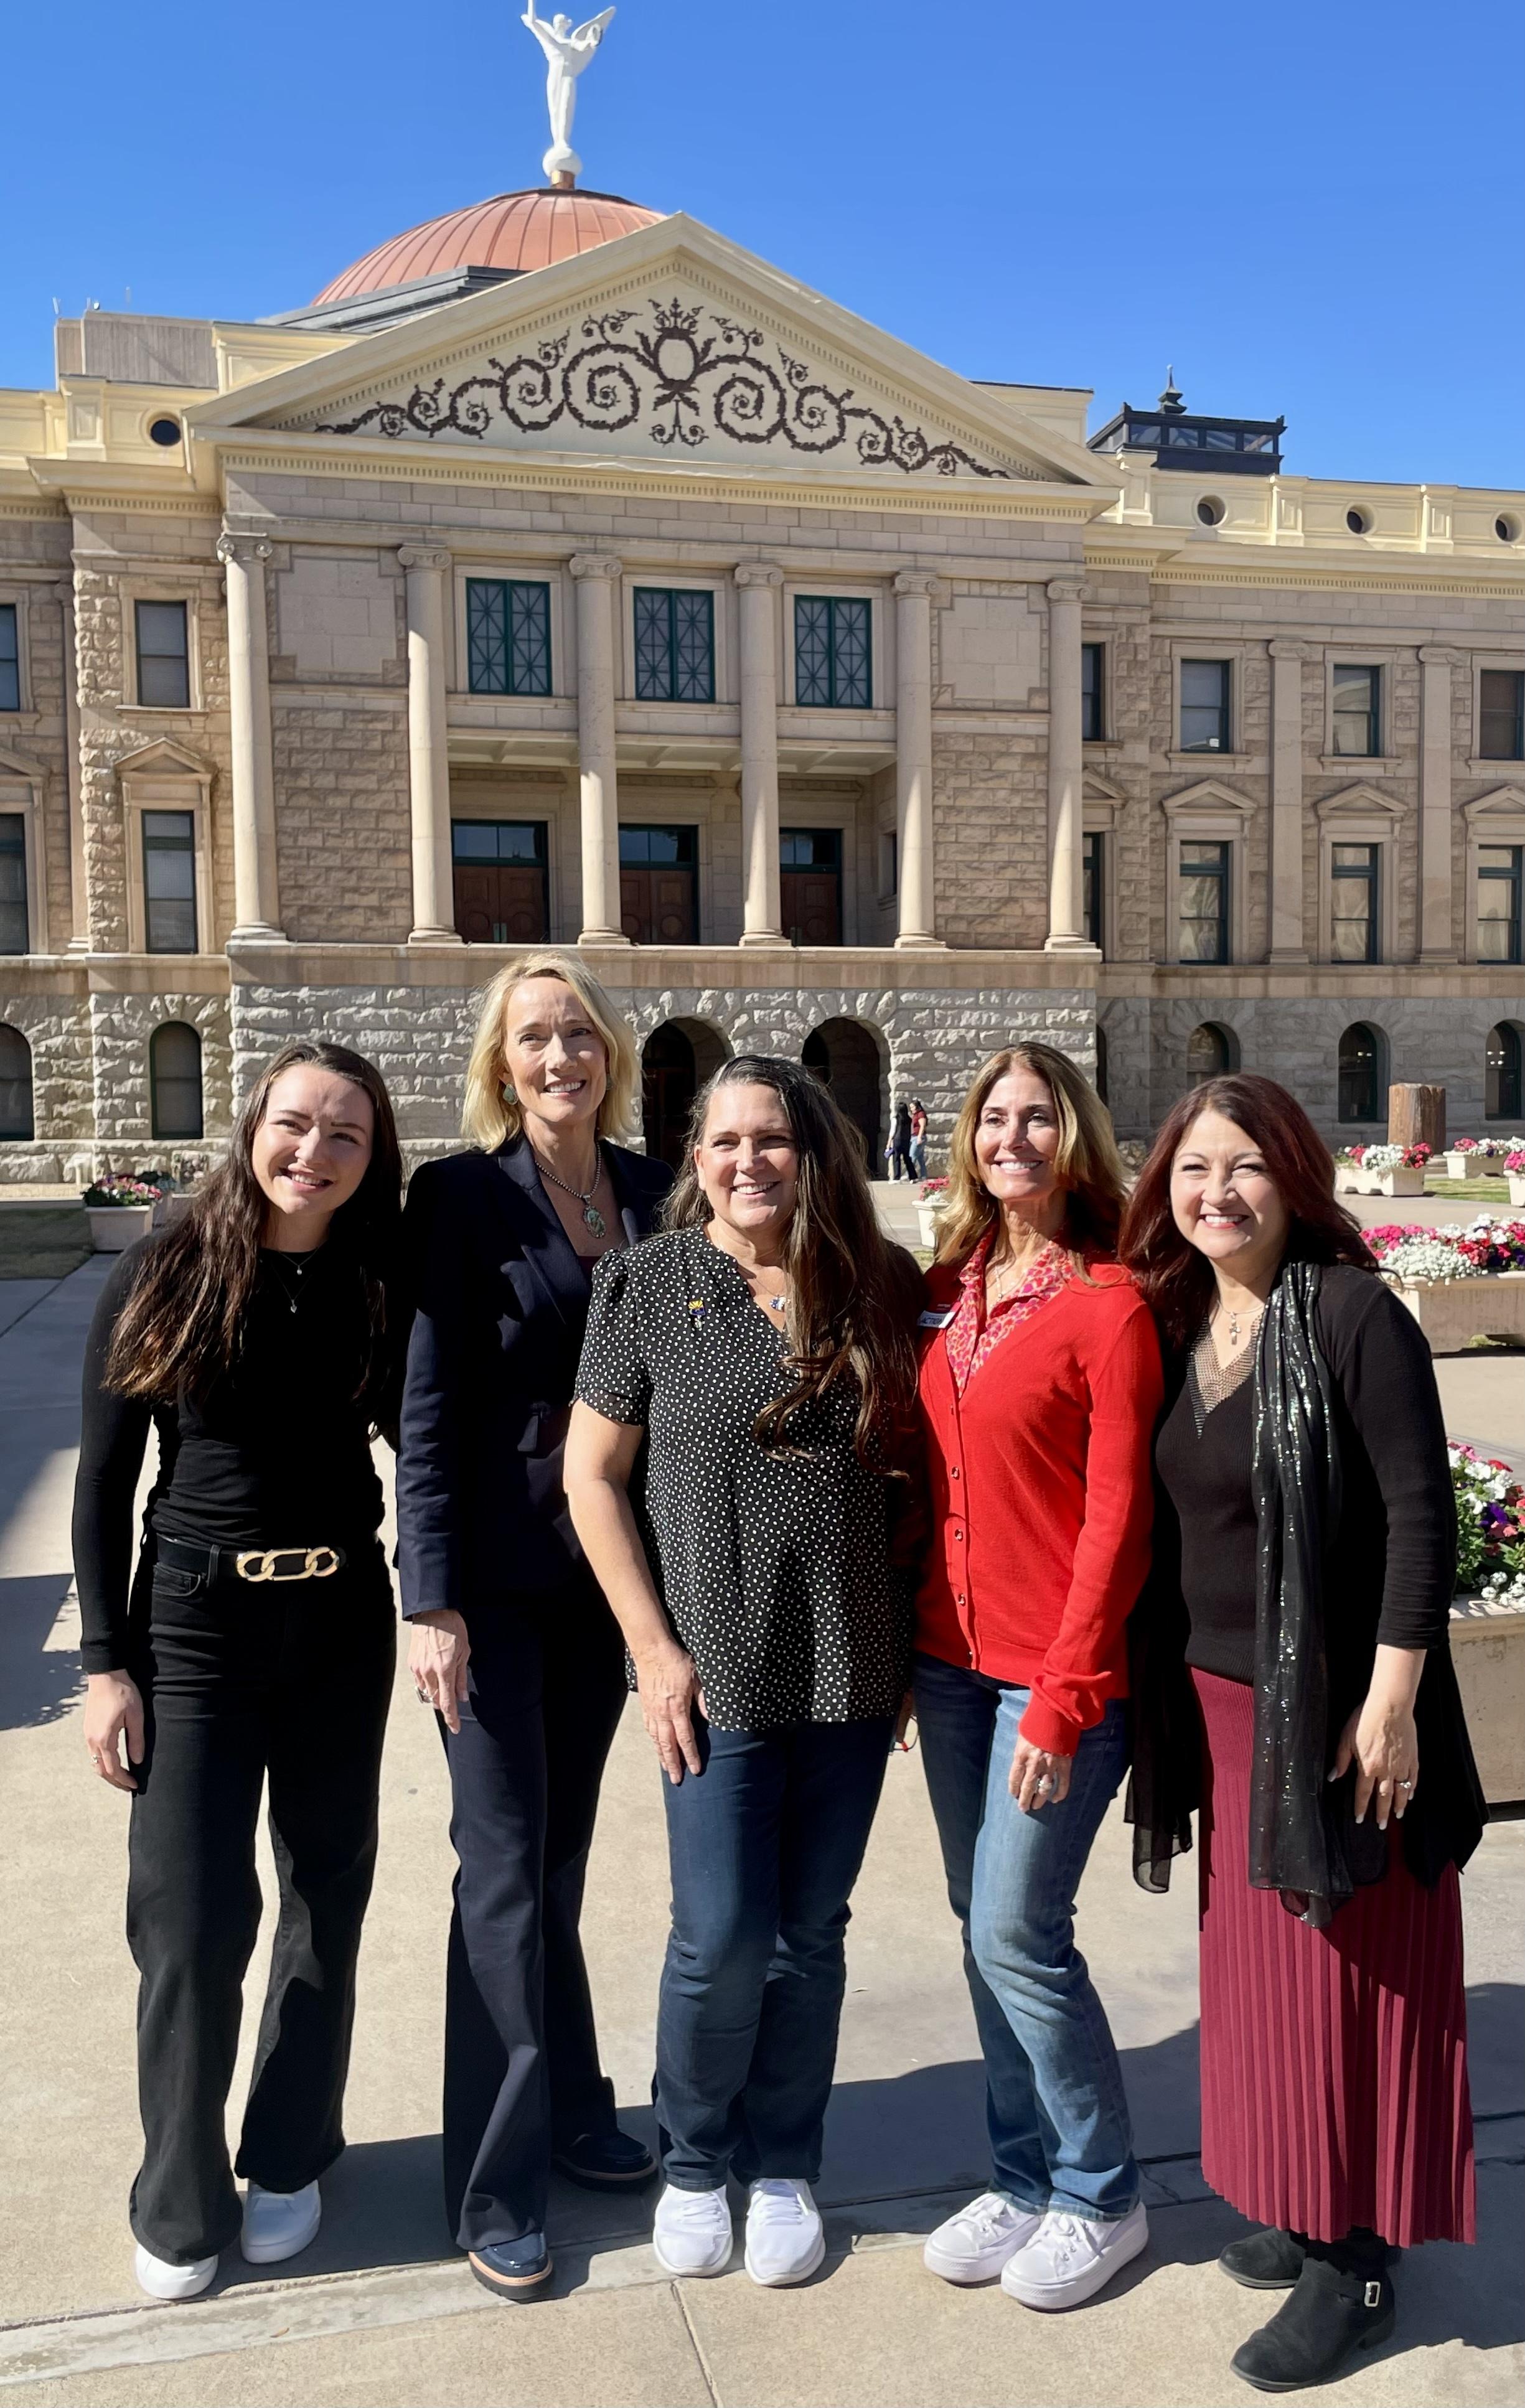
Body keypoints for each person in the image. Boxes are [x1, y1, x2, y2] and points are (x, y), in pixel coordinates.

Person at [1119, 1074, 1483, 2393]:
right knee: (1268, 1984)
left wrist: (1391, 1699)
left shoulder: (1350, 1313)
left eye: (1246, 1165)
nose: (1216, 1191)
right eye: (1193, 1167)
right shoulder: (1182, 1320)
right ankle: (1305, 2192)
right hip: (1223, 1711)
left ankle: (1359, 2257)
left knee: (1351, 1980)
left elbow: (1421, 1515)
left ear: (1294, 1177)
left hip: (1335, 1715)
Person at [564, 1056, 924, 2289]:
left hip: (852, 1664)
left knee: (808, 1934)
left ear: (813, 1149)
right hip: (713, 1670)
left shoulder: (874, 1283)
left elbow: (918, 1472)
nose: (746, 1161)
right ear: (695, 1158)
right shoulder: (647, 1283)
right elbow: (591, 1476)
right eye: (723, 1141)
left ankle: (782, 2162)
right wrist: (653, 1648)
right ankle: (693, 2155)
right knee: (719, 1934)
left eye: (770, 1138)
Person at [75, 1041, 405, 2301]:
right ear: (254, 1122)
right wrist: (106, 1664)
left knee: (326, 1889)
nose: (314, 1151)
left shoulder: (379, 1281)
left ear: (373, 1157)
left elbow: (428, 1443)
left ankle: (288, 2151)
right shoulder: (166, 1265)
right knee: (189, 1914)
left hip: (340, 1618)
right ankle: (178, 2192)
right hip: (194, 1625)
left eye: (346, 1134)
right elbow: (104, 1480)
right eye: (296, 1122)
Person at [398, 953, 671, 2303]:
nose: (559, 1055)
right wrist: (429, 1595)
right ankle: (496, 2181)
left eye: (578, 1032)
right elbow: (428, 1404)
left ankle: (571, 2106)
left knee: (555, 1860)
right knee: (502, 1870)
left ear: (608, 1050)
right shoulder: (458, 1195)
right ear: (501, 1065)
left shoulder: (654, 1190)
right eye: (533, 1038)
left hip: (610, 1583)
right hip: (496, 1587)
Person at [910, 1044, 1163, 2310]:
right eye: (993, 1116)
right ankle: (1021, 2173)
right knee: (984, 1930)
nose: (1011, 1136)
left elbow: (1117, 1522)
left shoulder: (1110, 1306)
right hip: (948, 1668)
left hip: (1051, 1678)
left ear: (1076, 1138)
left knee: (1019, 1928)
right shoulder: (948, 1287)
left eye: (1038, 1117)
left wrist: (1064, 1697)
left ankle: (1101, 2189)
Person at [889, 1097, 914, 1182]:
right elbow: (912, 1131)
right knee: (907, 1159)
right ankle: (913, 1177)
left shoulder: (896, 1119)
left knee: (896, 1159)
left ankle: (897, 1177)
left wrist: (889, 1142)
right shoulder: (909, 1120)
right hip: (906, 1140)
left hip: (898, 1140)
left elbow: (892, 1131)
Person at [909, 1099, 929, 1181]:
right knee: (920, 1158)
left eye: (912, 1107)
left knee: (912, 1156)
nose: (911, 1109)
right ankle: (924, 1176)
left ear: (917, 1107)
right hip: (914, 1137)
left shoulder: (921, 1114)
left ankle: (910, 1175)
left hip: (918, 1137)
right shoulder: (915, 1115)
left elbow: (922, 1126)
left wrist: (920, 1137)